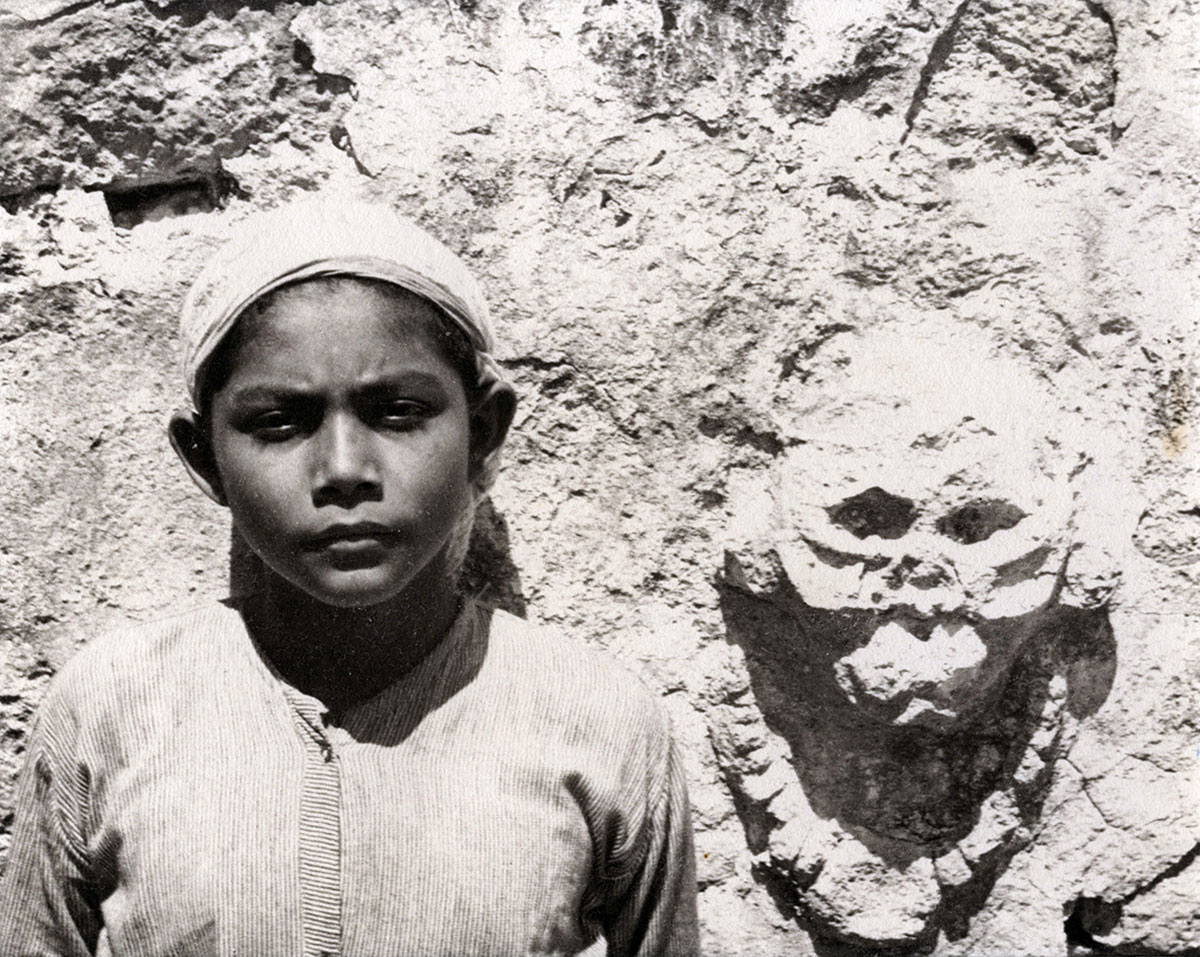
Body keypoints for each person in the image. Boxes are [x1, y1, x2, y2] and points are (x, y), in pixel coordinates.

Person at [0, 200, 699, 957]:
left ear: (484, 431)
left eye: (398, 411)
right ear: (204, 457)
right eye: (277, 422)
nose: (343, 470)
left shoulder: (600, 721)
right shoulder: (111, 710)